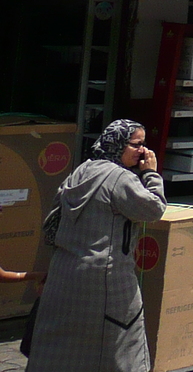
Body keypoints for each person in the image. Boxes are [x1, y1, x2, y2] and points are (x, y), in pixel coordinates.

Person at [26, 119, 167, 372]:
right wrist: (151, 174)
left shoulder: (83, 170)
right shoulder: (120, 178)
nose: (143, 152)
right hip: (106, 278)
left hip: (65, 272)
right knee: (121, 341)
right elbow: (153, 209)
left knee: (63, 346)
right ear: (118, 145)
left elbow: (52, 225)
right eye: (137, 145)